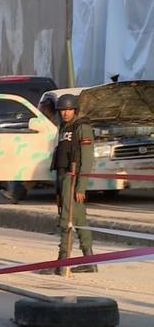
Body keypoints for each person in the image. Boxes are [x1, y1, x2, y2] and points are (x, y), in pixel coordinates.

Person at [45, 93, 97, 275]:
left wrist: (81, 186)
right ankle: (89, 261)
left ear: (74, 110)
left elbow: (88, 158)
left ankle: (62, 261)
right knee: (80, 219)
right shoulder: (63, 127)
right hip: (63, 177)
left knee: (66, 220)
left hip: (73, 178)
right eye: (62, 110)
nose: (65, 113)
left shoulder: (82, 128)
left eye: (69, 109)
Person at [0, 98, 59, 204]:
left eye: (42, 108)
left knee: (30, 173)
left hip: (49, 153)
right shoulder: (49, 121)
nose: (41, 111)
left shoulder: (55, 122)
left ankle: (15, 194)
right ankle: (15, 194)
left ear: (47, 109)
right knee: (29, 175)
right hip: (43, 152)